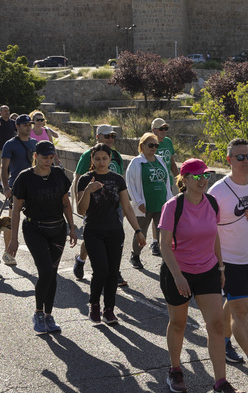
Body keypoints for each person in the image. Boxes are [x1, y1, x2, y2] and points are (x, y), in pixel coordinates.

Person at [160, 159, 246, 393]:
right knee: (179, 323)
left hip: (207, 269)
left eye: (205, 175)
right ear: (184, 180)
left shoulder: (211, 202)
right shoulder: (172, 206)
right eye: (196, 176)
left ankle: (220, 384)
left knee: (217, 324)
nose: (202, 180)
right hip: (178, 271)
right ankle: (175, 370)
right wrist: (177, 276)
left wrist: (220, 266)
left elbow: (214, 235)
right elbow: (165, 245)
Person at [209, 138, 248, 380]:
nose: (246, 160)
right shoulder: (217, 192)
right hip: (229, 260)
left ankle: (225, 342)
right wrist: (216, 262)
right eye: (240, 157)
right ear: (229, 160)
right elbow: (207, 227)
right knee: (240, 309)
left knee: (234, 303)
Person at [6, 140, 77, 335]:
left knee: (52, 274)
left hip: (57, 229)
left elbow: (65, 203)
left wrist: (72, 227)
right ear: (35, 156)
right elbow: (16, 209)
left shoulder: (58, 175)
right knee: (45, 271)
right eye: (45, 157)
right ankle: (38, 313)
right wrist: (13, 238)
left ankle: (48, 315)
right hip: (34, 229)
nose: (48, 160)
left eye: (51, 157)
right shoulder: (25, 178)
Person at [76, 143, 145, 325]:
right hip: (93, 231)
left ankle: (109, 309)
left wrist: (138, 230)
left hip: (114, 231)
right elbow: (81, 210)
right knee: (101, 270)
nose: (101, 162)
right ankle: (94, 305)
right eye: (97, 159)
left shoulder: (117, 179)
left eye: (104, 158)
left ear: (110, 159)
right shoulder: (85, 179)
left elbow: (127, 207)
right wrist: (89, 192)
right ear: (92, 159)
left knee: (113, 272)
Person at [72, 124, 125, 280]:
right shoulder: (89, 154)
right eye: (107, 136)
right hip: (93, 204)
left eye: (112, 136)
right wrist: (80, 201)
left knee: (114, 240)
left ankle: (115, 270)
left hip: (114, 205)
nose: (110, 139)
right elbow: (78, 178)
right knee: (91, 239)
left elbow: (120, 178)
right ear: (97, 137)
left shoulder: (116, 155)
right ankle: (81, 259)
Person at [125, 132, 173, 270]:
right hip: (144, 206)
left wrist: (169, 200)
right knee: (141, 232)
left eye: (156, 145)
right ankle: (135, 255)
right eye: (150, 145)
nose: (154, 148)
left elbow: (166, 181)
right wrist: (138, 201)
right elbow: (131, 184)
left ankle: (166, 259)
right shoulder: (136, 162)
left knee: (163, 233)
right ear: (142, 145)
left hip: (162, 204)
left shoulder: (159, 160)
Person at [1, 114, 38, 265]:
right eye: (25, 125)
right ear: (17, 126)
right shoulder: (10, 144)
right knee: (11, 220)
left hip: (34, 186)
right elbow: (4, 167)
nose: (28, 127)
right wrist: (5, 187)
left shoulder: (35, 143)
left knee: (36, 219)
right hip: (16, 185)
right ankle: (7, 253)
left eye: (30, 125)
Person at [0, 105, 16, 193]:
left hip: (11, 147)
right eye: (5, 111)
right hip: (0, 147)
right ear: (0, 112)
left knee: (9, 166)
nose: (7, 112)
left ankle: (8, 183)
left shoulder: (12, 122)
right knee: (0, 166)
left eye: (8, 110)